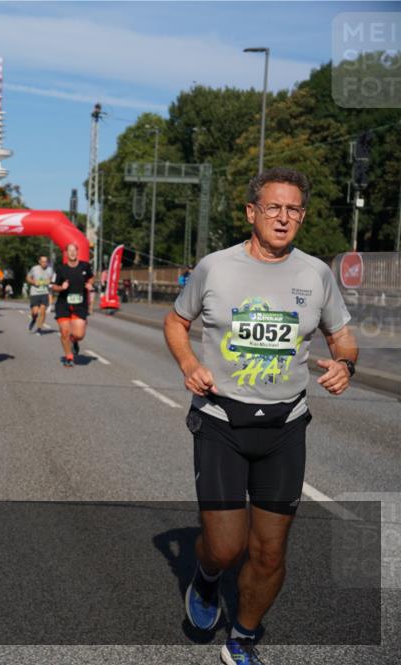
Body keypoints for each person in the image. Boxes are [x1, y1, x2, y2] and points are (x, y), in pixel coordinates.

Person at [164, 167, 356, 665]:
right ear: (252, 212)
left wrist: (345, 364)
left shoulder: (315, 273)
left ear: (302, 217)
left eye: (293, 209)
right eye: (273, 207)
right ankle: (206, 580)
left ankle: (242, 637)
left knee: (270, 552)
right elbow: (176, 320)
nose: (283, 217)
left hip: (285, 427)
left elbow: (342, 336)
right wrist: (189, 363)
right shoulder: (215, 267)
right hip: (221, 423)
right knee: (226, 548)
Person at [50, 243, 94, 367]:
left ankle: (74, 341)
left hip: (80, 304)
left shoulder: (85, 266)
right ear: (66, 253)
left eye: (74, 250)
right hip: (63, 304)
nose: (72, 253)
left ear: (77, 252)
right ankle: (69, 357)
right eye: (70, 251)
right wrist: (61, 287)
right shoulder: (60, 269)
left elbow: (91, 278)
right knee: (65, 332)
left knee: (79, 335)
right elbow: (53, 286)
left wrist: (89, 284)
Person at [26, 255, 55, 334]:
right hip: (34, 293)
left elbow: (51, 279)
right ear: (39, 262)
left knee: (42, 311)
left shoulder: (50, 270)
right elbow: (28, 278)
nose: (45, 263)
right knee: (35, 312)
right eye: (43, 261)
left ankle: (39, 328)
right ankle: (34, 319)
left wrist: (49, 281)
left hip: (44, 292)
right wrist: (34, 282)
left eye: (46, 262)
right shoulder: (34, 269)